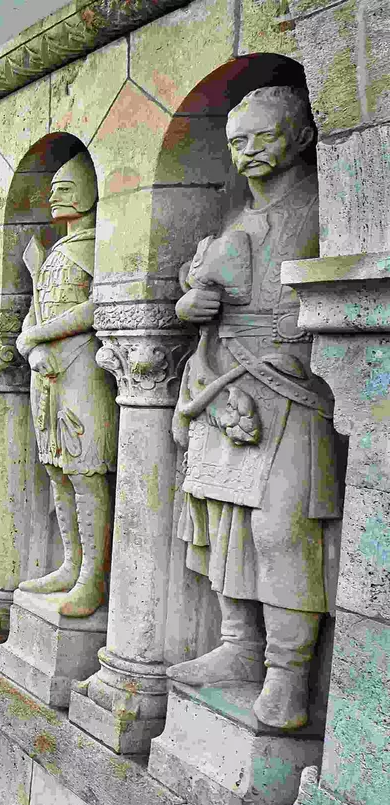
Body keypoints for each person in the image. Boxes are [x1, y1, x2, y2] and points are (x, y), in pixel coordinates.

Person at [166, 86, 337, 731]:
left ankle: (290, 677)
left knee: (282, 529)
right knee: (225, 521)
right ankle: (241, 648)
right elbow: (208, 296)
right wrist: (191, 310)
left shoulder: (326, 204)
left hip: (293, 381)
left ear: (302, 137)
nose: (248, 153)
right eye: (237, 141)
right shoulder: (236, 213)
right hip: (224, 384)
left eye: (263, 137)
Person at [15, 150, 117, 619]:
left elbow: (99, 308)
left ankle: (92, 577)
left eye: (66, 186)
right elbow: (40, 308)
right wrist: (30, 340)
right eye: (52, 187)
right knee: (56, 469)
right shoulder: (56, 252)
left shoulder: (101, 244)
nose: (55, 195)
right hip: (46, 374)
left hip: (83, 372)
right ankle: (70, 563)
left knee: (85, 472)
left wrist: (37, 335)